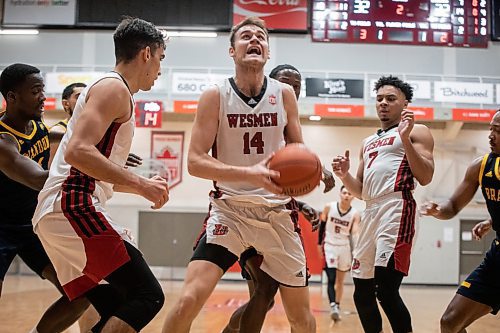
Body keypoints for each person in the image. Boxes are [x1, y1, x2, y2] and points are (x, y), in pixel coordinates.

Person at [163, 17, 316, 333]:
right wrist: (250, 173)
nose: (255, 40)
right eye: (246, 36)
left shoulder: (284, 94)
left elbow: (297, 151)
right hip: (229, 211)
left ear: (267, 53)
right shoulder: (215, 95)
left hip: (277, 214)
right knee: (187, 301)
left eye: (261, 36)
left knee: (300, 317)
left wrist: (307, 177)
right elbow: (194, 162)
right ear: (232, 51)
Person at [32, 17, 169, 333]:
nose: (160, 68)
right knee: (147, 295)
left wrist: (140, 188)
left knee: (112, 301)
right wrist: (139, 181)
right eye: (160, 57)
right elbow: (77, 152)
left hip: (62, 208)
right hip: (71, 207)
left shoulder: (114, 91)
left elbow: (89, 170)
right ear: (146, 53)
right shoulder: (113, 88)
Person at [222, 64, 333, 333]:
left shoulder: (288, 127)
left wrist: (302, 202)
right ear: (270, 85)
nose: (291, 90)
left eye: (296, 86)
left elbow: (280, 181)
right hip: (240, 213)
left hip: (275, 218)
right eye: (286, 84)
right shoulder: (252, 116)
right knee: (265, 289)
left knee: (264, 297)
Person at [332, 75, 434, 333]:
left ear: (405, 104)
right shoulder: (367, 142)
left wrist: (406, 138)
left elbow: (425, 176)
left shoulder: (418, 131)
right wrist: (344, 175)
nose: (383, 104)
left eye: (391, 99)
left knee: (386, 290)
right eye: (379, 99)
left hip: (397, 208)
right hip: (371, 210)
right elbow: (361, 191)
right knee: (362, 292)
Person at [0, 63, 89, 333]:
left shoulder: (37, 125)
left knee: (82, 292)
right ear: (12, 97)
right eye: (36, 90)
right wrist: (96, 169)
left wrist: (98, 154)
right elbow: (38, 179)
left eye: (43, 90)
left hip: (31, 226)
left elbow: (58, 138)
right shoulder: (3, 140)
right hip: (0, 228)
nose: (43, 97)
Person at [421, 110, 500, 333]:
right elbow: (453, 206)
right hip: (497, 259)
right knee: (450, 322)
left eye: (498, 130)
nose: (491, 135)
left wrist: (491, 221)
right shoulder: (481, 166)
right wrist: (439, 210)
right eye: (491, 128)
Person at [50, 82, 142, 168]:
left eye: (86, 96)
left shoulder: (92, 129)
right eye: (78, 97)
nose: (84, 100)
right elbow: (52, 169)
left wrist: (114, 158)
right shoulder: (58, 130)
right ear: (66, 104)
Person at [318, 185, 360, 322]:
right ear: (340, 194)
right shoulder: (329, 207)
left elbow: (354, 233)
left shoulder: (355, 213)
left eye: (349, 193)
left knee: (340, 281)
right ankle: (333, 306)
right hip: (330, 245)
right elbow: (321, 227)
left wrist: (357, 250)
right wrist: (319, 244)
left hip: (344, 247)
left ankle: (337, 305)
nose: (347, 195)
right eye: (344, 193)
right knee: (331, 277)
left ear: (353, 196)